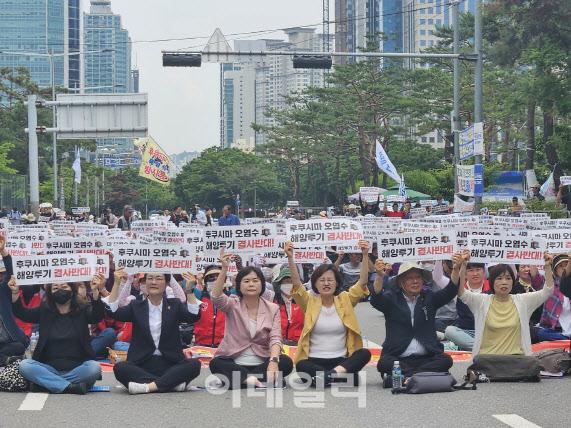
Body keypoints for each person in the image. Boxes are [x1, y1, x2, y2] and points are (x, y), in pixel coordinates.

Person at [285, 239, 371, 387]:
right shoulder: (309, 301)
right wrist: (290, 257)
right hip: (313, 360)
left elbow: (362, 283)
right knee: (301, 366)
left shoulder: (345, 299)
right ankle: (336, 377)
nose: (326, 283)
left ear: (337, 282)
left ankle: (327, 377)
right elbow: (297, 284)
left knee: (364, 353)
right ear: (315, 284)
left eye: (330, 280)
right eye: (322, 280)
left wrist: (365, 254)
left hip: (340, 359)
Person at [106, 268, 202, 394]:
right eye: (150, 278)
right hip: (142, 363)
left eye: (159, 278)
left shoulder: (175, 304)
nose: (154, 282)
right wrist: (117, 284)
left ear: (167, 283)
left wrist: (189, 290)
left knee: (194, 364)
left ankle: (147, 387)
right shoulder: (136, 306)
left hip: (171, 363)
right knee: (120, 368)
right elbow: (113, 312)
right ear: (145, 282)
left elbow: (193, 316)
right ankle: (171, 384)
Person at [209, 247, 293, 389]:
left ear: (262, 284)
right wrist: (224, 269)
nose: (251, 284)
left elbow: (275, 337)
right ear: (239, 286)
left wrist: (273, 361)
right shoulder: (233, 304)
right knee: (216, 364)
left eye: (255, 280)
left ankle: (240, 380)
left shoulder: (272, 308)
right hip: (234, 361)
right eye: (246, 281)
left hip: (262, 361)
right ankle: (255, 380)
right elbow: (216, 298)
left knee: (285, 362)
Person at [371, 256, 461, 386]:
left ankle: (407, 377)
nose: (415, 281)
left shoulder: (429, 297)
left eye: (418, 277)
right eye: (409, 278)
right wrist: (379, 275)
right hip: (399, 357)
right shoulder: (392, 299)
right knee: (385, 363)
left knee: (446, 360)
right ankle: (423, 375)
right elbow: (376, 300)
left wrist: (457, 268)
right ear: (400, 282)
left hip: (427, 357)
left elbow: (450, 291)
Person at [10, 277, 105, 394]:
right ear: (50, 293)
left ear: (72, 289)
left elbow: (97, 316)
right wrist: (15, 292)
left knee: (94, 368)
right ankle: (69, 387)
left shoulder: (83, 308)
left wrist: (95, 291)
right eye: (55, 288)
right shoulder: (44, 310)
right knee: (25, 365)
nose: (60, 290)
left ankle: (48, 385)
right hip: (49, 369)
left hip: (78, 369)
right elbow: (22, 313)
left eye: (64, 287)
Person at [457, 250, 554, 358]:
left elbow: (547, 292)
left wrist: (548, 267)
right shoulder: (481, 301)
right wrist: (462, 267)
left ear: (513, 281)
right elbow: (461, 292)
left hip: (517, 359)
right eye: (499, 278)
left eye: (508, 278)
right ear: (492, 282)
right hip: (487, 360)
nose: (504, 282)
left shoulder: (522, 301)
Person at [444, 262, 489, 351]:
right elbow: (438, 278)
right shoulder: (460, 289)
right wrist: (460, 266)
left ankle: (471, 346)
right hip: (466, 332)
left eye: (478, 270)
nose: (475, 273)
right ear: (465, 273)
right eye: (471, 270)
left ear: (484, 272)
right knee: (450, 331)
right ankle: (483, 349)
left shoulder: (492, 287)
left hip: (488, 332)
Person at [0, 235, 28, 366]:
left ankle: (4, 359)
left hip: (9, 341)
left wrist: (3, 253)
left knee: (19, 347)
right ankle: (6, 360)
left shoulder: (2, 290)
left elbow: (12, 273)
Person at [191, 266, 227, 347]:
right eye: (211, 278)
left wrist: (238, 267)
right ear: (205, 281)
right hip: (201, 343)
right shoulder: (200, 295)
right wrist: (194, 274)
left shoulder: (230, 297)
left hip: (224, 345)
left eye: (219, 277)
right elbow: (187, 284)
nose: (215, 281)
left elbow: (241, 285)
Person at [538, 253, 570, 342]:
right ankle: (566, 341)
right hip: (557, 331)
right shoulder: (551, 286)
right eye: (560, 266)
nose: (564, 268)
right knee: (542, 333)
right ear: (555, 271)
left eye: (567, 264)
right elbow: (536, 280)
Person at [272, 267, 304, 345]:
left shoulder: (303, 299)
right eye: (286, 281)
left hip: (299, 343)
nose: (290, 284)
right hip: (278, 342)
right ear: (280, 284)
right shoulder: (273, 298)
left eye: (292, 282)